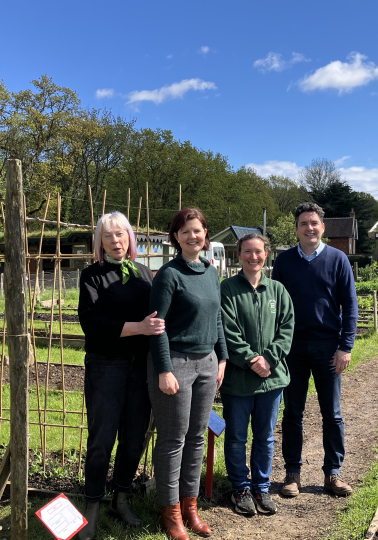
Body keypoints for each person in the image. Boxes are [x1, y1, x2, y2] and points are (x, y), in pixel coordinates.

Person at [77, 212, 165, 540]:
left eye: (121, 235)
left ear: (130, 238)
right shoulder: (92, 276)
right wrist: (137, 328)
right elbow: (91, 323)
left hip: (140, 367)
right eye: (108, 236)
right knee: (101, 441)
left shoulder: (145, 275)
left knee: (133, 439)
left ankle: (121, 497)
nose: (116, 241)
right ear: (99, 242)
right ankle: (92, 507)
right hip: (106, 365)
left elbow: (162, 313)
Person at [148, 208, 228, 540]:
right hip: (176, 364)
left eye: (197, 231)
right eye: (184, 232)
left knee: (197, 438)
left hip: (208, 364)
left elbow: (217, 319)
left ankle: (190, 507)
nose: (192, 236)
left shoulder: (211, 273)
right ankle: (171, 514)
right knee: (172, 439)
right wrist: (165, 370)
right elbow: (157, 327)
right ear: (175, 238)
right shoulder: (168, 275)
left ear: (205, 234)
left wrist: (222, 358)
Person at [272, 202, 358, 498]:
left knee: (331, 413)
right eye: (303, 224)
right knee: (293, 412)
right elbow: (275, 306)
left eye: (314, 223)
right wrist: (276, 346)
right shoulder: (283, 262)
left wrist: (345, 346)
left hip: (327, 348)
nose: (309, 228)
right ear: (296, 229)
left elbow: (350, 306)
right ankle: (292, 473)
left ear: (323, 227)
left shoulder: (338, 259)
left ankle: (332, 474)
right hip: (292, 348)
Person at [220, 233, 294, 516]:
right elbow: (227, 330)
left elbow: (287, 328)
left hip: (271, 380)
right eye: (248, 252)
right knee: (237, 436)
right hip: (238, 380)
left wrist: (270, 358)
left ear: (267, 254)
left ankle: (261, 487)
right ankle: (240, 487)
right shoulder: (227, 289)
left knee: (265, 437)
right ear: (239, 254)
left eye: (259, 252)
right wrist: (252, 359)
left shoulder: (277, 290)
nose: (253, 257)